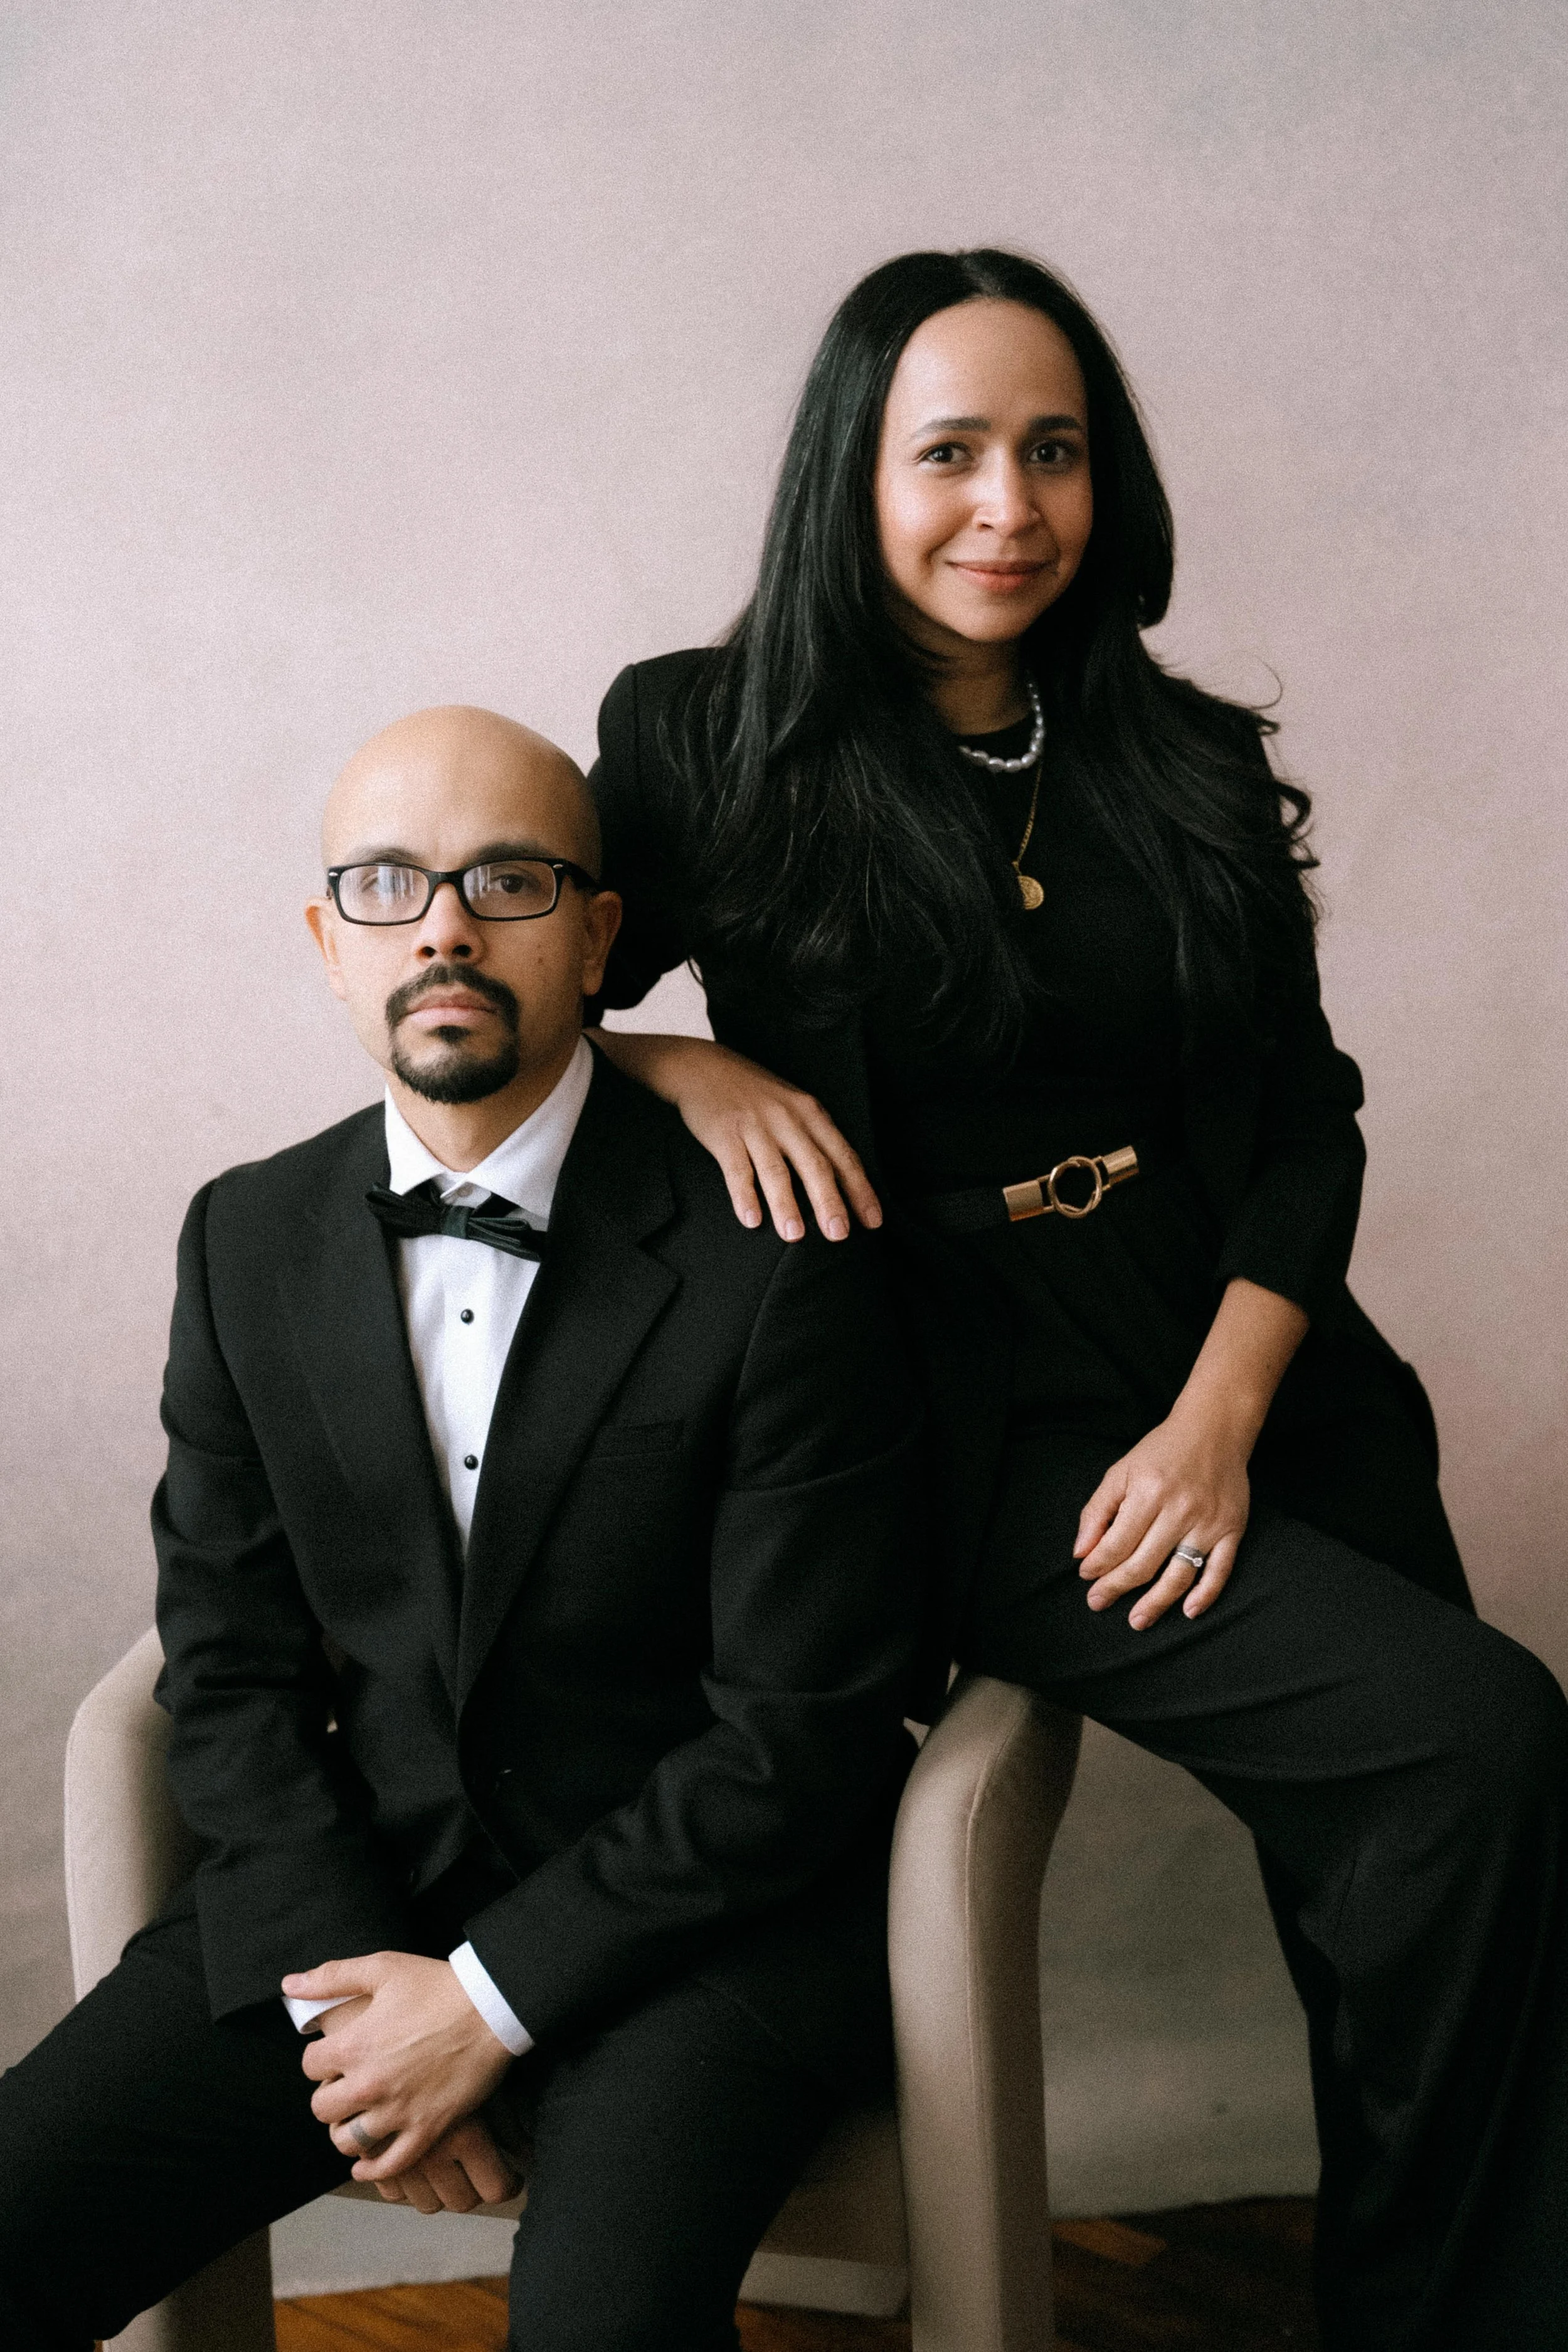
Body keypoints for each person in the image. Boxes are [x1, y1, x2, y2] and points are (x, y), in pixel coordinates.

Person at [584, 248, 1568, 2348]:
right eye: (946, 453)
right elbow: (505, 988)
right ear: (852, 473)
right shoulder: (699, 732)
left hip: (1236, 1343)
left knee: (1427, 1851)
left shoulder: (1182, 755)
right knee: (1484, 1739)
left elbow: (1305, 1122)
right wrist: (683, 1057)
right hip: (947, 1403)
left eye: (1052, 450)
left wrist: (1219, 1419)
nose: (1005, 507)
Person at [0, 706, 921, 2352]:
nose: (442, 923)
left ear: (595, 936)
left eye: (506, 876)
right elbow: (226, 1659)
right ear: (326, 944)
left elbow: (800, 1730)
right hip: (355, 1893)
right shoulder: (244, 1236)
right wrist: (364, 1989)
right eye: (386, 883)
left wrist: (484, 2003)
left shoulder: (777, 1237)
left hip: (704, 1927)